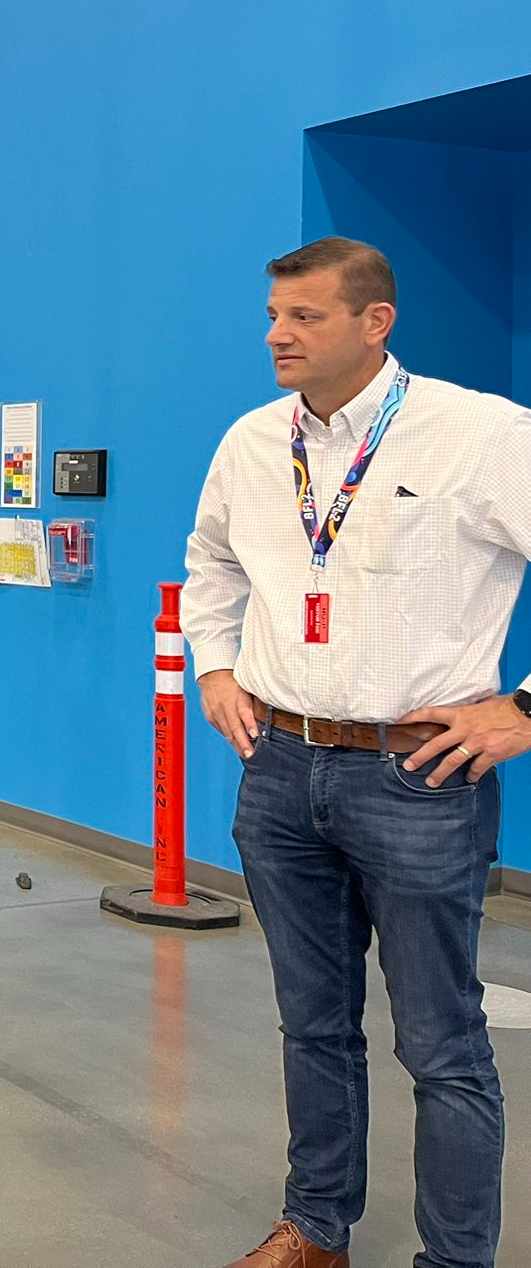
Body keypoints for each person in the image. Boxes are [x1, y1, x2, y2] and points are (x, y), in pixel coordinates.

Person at [185, 237, 531, 1268]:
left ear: (373, 323)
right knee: (311, 1025)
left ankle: (453, 1257)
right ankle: (314, 1227)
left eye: (302, 318)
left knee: (439, 1043)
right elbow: (209, 558)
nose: (274, 336)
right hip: (280, 771)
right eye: (271, 315)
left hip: (417, 776)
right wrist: (213, 665)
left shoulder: (476, 434)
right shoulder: (251, 442)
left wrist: (522, 708)